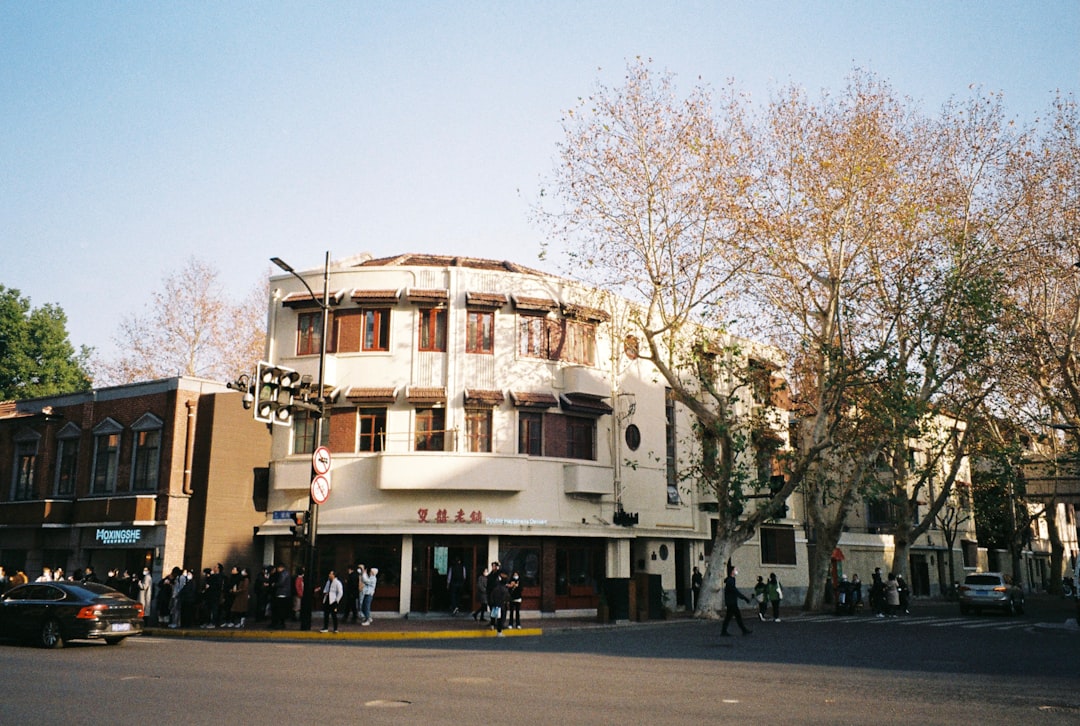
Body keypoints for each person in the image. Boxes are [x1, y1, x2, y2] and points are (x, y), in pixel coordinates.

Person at [720, 566, 752, 636]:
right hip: (731, 602)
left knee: (731, 617)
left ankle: (724, 631)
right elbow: (734, 591)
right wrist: (744, 598)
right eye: (735, 570)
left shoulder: (731, 580)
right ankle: (743, 630)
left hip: (731, 601)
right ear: (732, 571)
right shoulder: (730, 580)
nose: (736, 571)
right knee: (736, 616)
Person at [270, 563, 292, 629]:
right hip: (285, 593)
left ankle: (280, 624)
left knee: (280, 610)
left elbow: (281, 583)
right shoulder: (287, 573)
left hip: (281, 593)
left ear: (281, 567)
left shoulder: (283, 574)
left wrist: (274, 584)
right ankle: (281, 623)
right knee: (282, 609)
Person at [489, 572, 509, 636]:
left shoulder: (495, 588)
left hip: (496, 604)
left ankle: (493, 625)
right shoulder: (504, 589)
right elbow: (506, 597)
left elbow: (492, 596)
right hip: (501, 605)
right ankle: (499, 631)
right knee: (501, 618)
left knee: (494, 616)